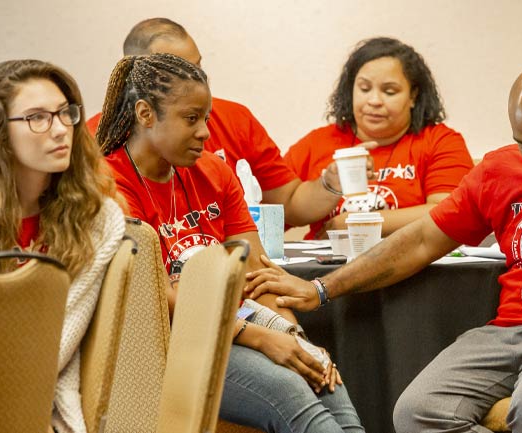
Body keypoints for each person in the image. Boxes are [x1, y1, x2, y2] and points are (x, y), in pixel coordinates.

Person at [246, 66, 522, 432]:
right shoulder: (499, 169)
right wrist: (323, 289)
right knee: (418, 411)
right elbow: (421, 240)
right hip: (512, 329)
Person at [97, 52, 363, 432]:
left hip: (233, 328)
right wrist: (261, 340)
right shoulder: (109, 184)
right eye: (191, 119)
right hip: (167, 344)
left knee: (322, 378)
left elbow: (259, 276)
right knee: (291, 391)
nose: (205, 132)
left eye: (205, 118)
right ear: (145, 114)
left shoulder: (214, 171)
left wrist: (293, 338)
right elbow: (155, 294)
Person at [87, 17, 357, 228]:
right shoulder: (98, 142)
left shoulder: (232, 128)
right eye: (177, 71)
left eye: (198, 67)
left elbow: (288, 205)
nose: (195, 79)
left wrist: (330, 185)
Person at [0, 59, 125, 433]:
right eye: (37, 118)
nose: (60, 130)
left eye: (64, 114)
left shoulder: (97, 219)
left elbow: (59, 339)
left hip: (38, 400)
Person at [284, 37, 474, 239]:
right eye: (364, 89)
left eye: (389, 91)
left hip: (414, 266)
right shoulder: (316, 143)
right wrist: (327, 186)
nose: (374, 101)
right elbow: (270, 215)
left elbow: (450, 211)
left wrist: (355, 223)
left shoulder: (440, 141)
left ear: (413, 96)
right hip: (325, 266)